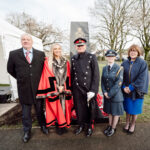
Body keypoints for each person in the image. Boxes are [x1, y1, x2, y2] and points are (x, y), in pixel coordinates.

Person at [7, 34, 48, 143]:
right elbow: (10, 69)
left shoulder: (40, 54)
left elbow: (45, 70)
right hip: (24, 88)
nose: (25, 41)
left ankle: (43, 126)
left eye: (28, 39)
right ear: (21, 41)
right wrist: (21, 78)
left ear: (32, 41)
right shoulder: (14, 54)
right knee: (26, 112)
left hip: (38, 87)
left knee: (40, 109)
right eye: (23, 39)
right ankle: (27, 131)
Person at [36, 43, 72, 135]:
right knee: (56, 107)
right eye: (55, 49)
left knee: (64, 107)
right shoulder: (48, 62)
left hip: (63, 88)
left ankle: (64, 125)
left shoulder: (66, 61)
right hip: (54, 88)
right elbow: (47, 75)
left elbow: (68, 75)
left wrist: (63, 86)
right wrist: (57, 87)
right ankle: (58, 126)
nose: (57, 50)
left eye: (59, 48)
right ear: (52, 50)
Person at [71, 37, 100, 137]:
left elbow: (96, 75)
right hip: (77, 88)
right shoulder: (73, 58)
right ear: (75, 47)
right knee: (79, 108)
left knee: (90, 109)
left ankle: (89, 126)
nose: (80, 47)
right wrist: (71, 88)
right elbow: (72, 74)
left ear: (85, 46)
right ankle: (81, 125)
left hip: (89, 89)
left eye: (81, 45)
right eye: (78, 46)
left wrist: (93, 90)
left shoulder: (92, 57)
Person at [121, 44, 149, 134]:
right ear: (129, 52)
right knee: (128, 108)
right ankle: (127, 123)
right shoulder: (124, 63)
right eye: (131, 51)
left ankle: (133, 124)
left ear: (138, 52)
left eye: (135, 51)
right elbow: (121, 77)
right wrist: (123, 87)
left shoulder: (142, 63)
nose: (133, 52)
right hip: (126, 90)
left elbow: (142, 78)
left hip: (137, 91)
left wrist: (131, 87)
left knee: (134, 109)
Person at [101, 49, 124, 136]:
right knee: (110, 112)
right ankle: (110, 126)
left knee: (115, 112)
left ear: (115, 57)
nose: (110, 58)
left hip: (116, 96)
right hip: (107, 95)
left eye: (112, 56)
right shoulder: (104, 68)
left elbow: (118, 83)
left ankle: (113, 128)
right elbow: (102, 82)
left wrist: (109, 94)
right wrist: (104, 92)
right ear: (106, 57)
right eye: (108, 56)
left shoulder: (119, 68)